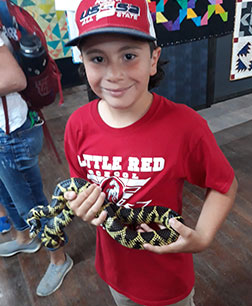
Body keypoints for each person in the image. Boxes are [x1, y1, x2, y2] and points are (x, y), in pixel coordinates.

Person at [63, 0, 238, 305]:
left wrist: (203, 237)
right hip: (114, 272)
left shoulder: (186, 126)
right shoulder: (77, 125)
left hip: (168, 278)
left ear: (153, 58)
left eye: (128, 56)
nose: (114, 74)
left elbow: (224, 184)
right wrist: (79, 207)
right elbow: (76, 188)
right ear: (82, 62)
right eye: (97, 58)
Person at [0, 24, 73, 296]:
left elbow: (15, 80)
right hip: (5, 132)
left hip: (10, 134)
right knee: (6, 192)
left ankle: (59, 259)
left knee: (32, 204)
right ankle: (25, 237)